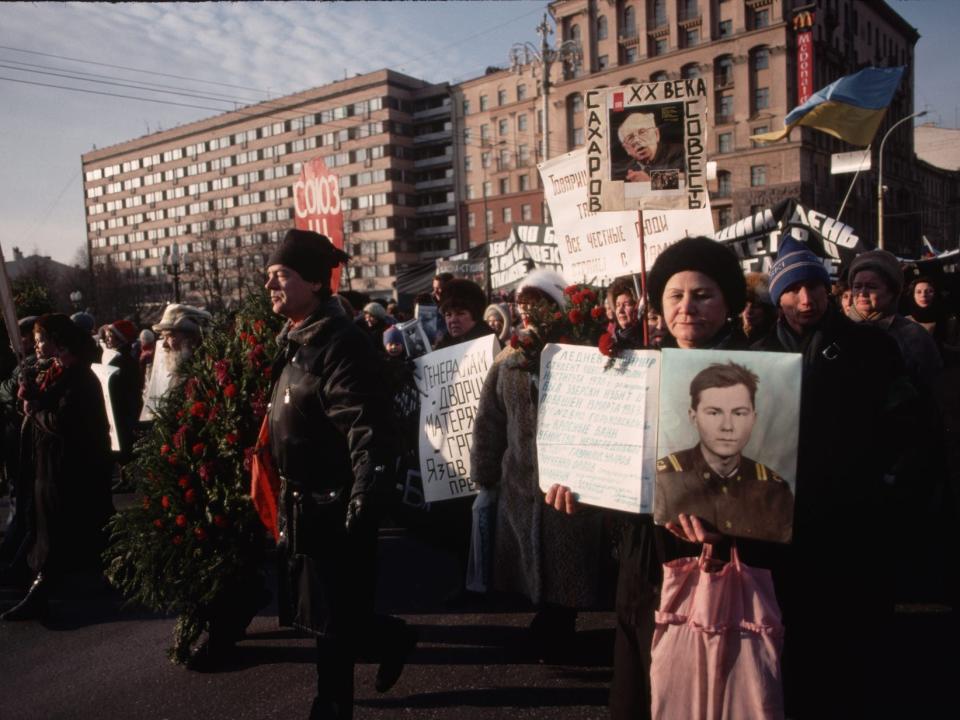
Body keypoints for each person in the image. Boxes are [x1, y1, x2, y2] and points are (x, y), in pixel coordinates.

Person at [546, 236, 749, 720]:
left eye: (703, 294)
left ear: (729, 303)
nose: (687, 307)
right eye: (675, 296)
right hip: (643, 564)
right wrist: (582, 489)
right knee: (638, 692)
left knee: (703, 697)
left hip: (722, 563)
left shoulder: (759, 371)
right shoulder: (633, 368)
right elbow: (618, 459)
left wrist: (729, 527)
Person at [753, 236, 915, 717]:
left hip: (856, 527)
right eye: (794, 289)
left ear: (830, 289)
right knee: (792, 652)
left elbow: (908, 426)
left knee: (856, 654)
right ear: (777, 296)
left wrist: (890, 483)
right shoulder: (756, 355)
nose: (807, 299)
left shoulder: (873, 348)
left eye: (816, 286)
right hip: (783, 535)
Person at [264, 228, 416, 719]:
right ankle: (391, 637)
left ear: (312, 281)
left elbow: (366, 423)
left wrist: (366, 493)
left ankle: (329, 708)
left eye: (280, 276)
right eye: (269, 276)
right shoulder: (293, 341)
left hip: (337, 502)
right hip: (304, 501)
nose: (270, 285)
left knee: (332, 624)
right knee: (328, 616)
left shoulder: (340, 343)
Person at [472, 269, 606, 660]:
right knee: (529, 559)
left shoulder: (577, 352)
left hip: (569, 479)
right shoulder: (508, 359)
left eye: (538, 304)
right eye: (522, 304)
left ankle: (560, 623)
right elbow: (489, 419)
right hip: (520, 479)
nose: (527, 312)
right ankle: (548, 618)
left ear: (556, 307)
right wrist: (485, 476)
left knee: (567, 558)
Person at [1, 314, 113, 621]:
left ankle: (42, 591)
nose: (37, 346)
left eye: (41, 340)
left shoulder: (80, 378)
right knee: (50, 531)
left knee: (62, 533)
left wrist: (35, 409)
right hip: (48, 468)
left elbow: (65, 422)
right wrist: (29, 393)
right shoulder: (56, 372)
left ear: (59, 342)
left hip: (71, 470)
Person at [654, 361, 794, 544]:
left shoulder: (774, 489)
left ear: (754, 419)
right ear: (693, 417)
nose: (727, 426)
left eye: (739, 413)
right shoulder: (664, 478)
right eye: (714, 413)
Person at [847, 249, 942, 391]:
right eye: (857, 286)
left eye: (872, 287)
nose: (862, 293)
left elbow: (931, 390)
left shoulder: (914, 336)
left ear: (892, 292)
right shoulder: (834, 330)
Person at [614, 111, 683, 183]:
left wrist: (651, 180)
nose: (637, 140)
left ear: (656, 134)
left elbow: (688, 178)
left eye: (642, 132)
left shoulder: (679, 152)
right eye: (630, 138)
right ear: (626, 149)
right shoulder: (626, 171)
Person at [905, 275, 960, 363]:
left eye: (929, 291)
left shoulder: (950, 321)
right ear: (913, 296)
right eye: (918, 292)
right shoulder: (905, 322)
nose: (924, 295)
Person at [432, 279, 494, 350]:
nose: (453, 320)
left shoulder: (491, 344)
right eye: (448, 315)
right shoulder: (441, 349)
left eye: (460, 314)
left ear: (475, 315)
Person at [605, 276, 644, 349]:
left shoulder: (645, 337)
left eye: (626, 304)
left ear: (637, 307)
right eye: (617, 305)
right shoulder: (615, 337)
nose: (620, 311)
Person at [741, 271, 777, 342]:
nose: (749, 311)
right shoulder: (731, 336)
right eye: (745, 305)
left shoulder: (776, 339)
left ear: (767, 309)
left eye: (755, 306)